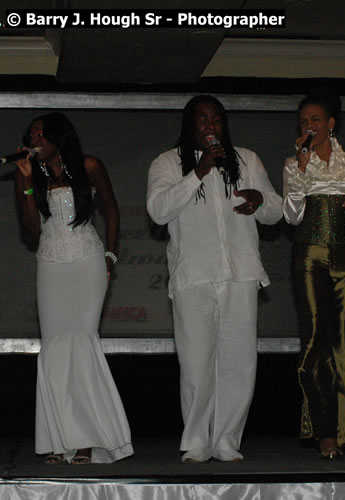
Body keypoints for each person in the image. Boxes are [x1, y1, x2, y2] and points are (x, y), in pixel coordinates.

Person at [146, 95, 282, 463]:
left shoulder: (247, 160)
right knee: (196, 363)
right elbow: (158, 211)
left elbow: (276, 210)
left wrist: (260, 200)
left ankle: (226, 440)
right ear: (190, 125)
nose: (211, 126)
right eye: (203, 120)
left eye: (217, 120)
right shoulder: (167, 163)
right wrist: (200, 172)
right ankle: (195, 440)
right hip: (195, 274)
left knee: (239, 363)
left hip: (240, 273)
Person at [13, 112, 132, 465]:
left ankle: (85, 440)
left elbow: (111, 209)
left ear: (57, 137)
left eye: (39, 133)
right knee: (53, 348)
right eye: (30, 134)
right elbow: (31, 230)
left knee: (81, 342)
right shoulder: (30, 173)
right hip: (50, 263)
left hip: (87, 261)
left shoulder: (89, 166)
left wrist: (111, 255)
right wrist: (25, 184)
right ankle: (59, 438)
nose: (34, 139)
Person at [282, 94, 345, 459]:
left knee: (343, 344)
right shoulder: (293, 162)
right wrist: (302, 171)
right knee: (314, 341)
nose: (310, 126)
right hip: (308, 254)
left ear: (331, 123)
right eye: (305, 120)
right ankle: (325, 431)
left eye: (317, 119)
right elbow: (291, 216)